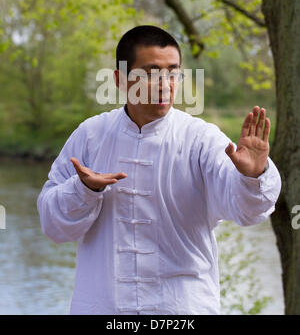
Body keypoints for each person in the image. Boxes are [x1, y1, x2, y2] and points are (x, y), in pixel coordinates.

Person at [37, 25, 281, 315]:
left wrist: (253, 176)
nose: (165, 83)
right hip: (104, 308)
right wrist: (85, 190)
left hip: (183, 310)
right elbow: (53, 226)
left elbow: (247, 212)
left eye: (173, 72)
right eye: (151, 72)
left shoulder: (202, 139)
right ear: (120, 79)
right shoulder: (90, 136)